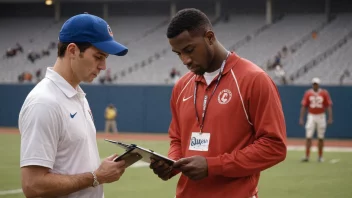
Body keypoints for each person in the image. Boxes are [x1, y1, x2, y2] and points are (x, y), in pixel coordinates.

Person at [150, 8, 287, 198]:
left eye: (189, 50)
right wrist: (172, 163)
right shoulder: (181, 86)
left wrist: (212, 165)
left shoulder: (254, 80)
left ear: (210, 37)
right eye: (178, 53)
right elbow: (178, 139)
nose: (184, 60)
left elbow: (274, 147)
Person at [18, 13, 128, 198]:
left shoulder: (78, 96)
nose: (103, 66)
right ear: (72, 50)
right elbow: (33, 185)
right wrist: (96, 176)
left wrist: (100, 171)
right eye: (99, 56)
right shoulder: (45, 102)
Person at [299, 77, 333, 162]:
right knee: (308, 136)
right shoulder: (308, 93)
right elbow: (304, 106)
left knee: (320, 137)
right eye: (314, 84)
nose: (315, 86)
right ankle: (307, 156)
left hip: (321, 116)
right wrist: (301, 118)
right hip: (311, 116)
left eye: (316, 84)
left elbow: (328, 106)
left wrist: (330, 117)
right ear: (312, 85)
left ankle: (320, 156)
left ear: (319, 84)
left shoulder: (324, 93)